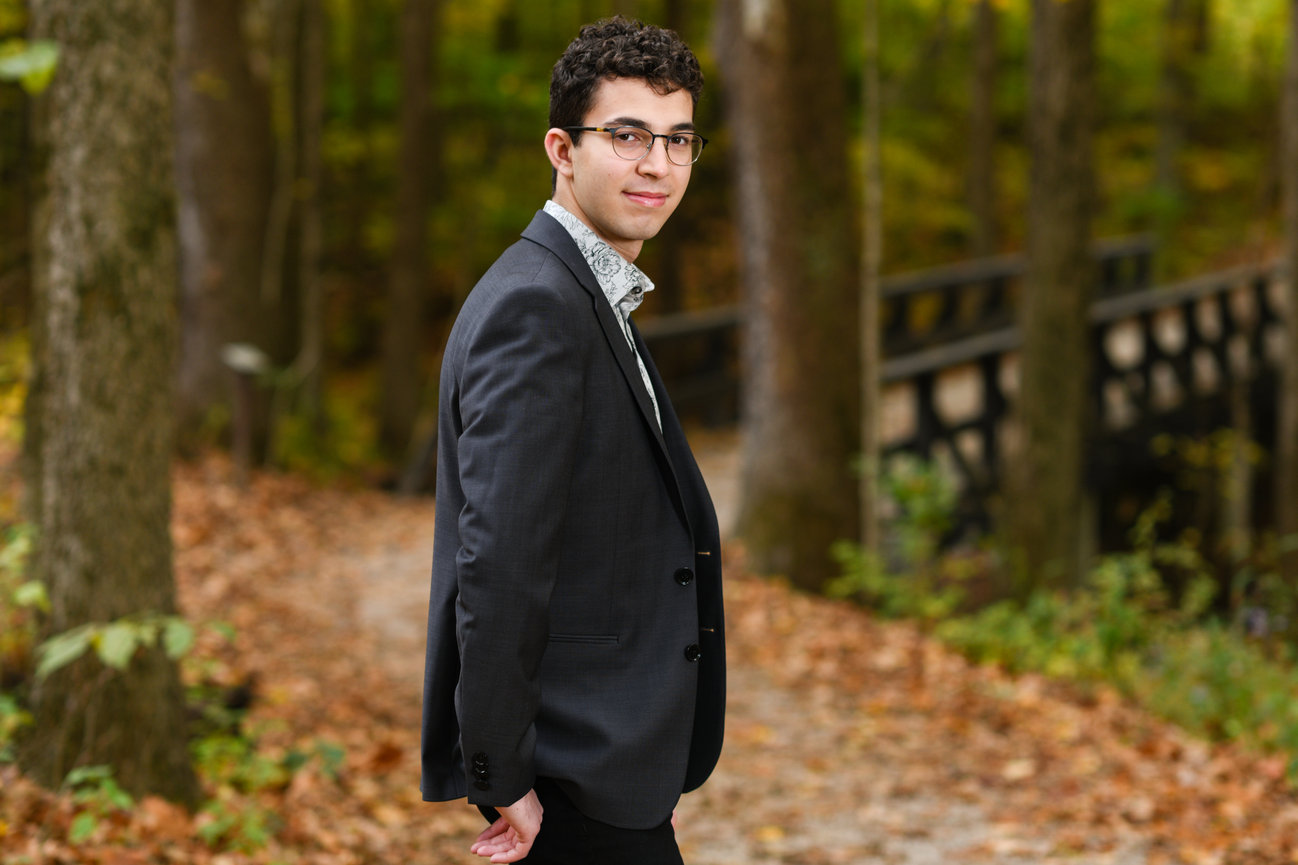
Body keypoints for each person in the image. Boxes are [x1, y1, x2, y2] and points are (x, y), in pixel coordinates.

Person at [419, 16, 726, 865]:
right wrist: (501, 767)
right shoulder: (538, 307)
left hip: (610, 764)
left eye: (678, 139)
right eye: (626, 135)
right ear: (562, 147)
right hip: (568, 777)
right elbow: (499, 555)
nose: (656, 164)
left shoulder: (590, 293)